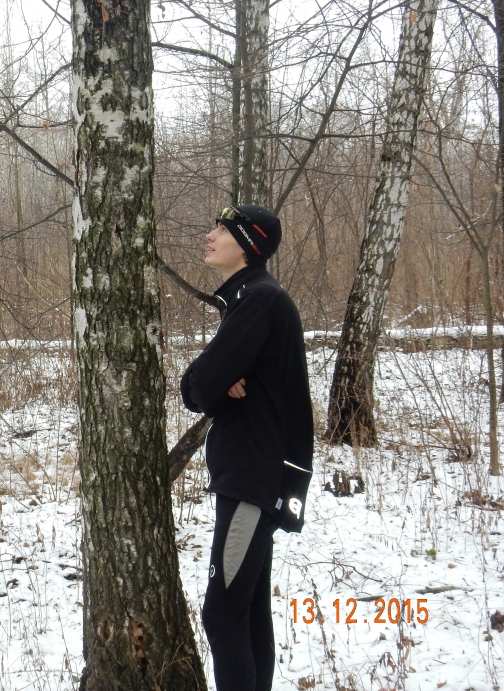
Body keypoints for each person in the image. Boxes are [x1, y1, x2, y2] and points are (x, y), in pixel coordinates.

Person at [180, 205, 313, 691]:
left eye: (221, 229)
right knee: (250, 609)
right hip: (258, 476)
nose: (209, 235)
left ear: (247, 244)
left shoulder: (258, 299)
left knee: (222, 614)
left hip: (254, 481)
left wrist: (212, 382)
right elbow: (209, 384)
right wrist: (216, 382)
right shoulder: (253, 298)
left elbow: (197, 387)